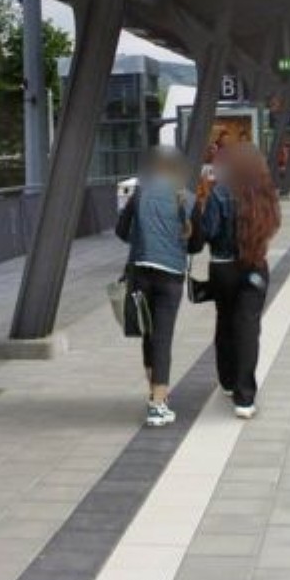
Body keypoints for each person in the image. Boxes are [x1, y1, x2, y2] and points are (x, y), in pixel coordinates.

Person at [193, 142, 280, 419]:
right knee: (248, 329)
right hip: (255, 268)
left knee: (225, 322)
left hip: (223, 269)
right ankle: (245, 399)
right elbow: (273, 227)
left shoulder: (220, 193)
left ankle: (228, 381)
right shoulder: (266, 194)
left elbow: (207, 232)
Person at [116, 146, 192, 428]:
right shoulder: (187, 198)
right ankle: (158, 406)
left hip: (141, 272)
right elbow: (196, 242)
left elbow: (121, 231)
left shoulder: (140, 194)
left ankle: (155, 393)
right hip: (171, 276)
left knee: (148, 333)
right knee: (163, 337)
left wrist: (141, 240)